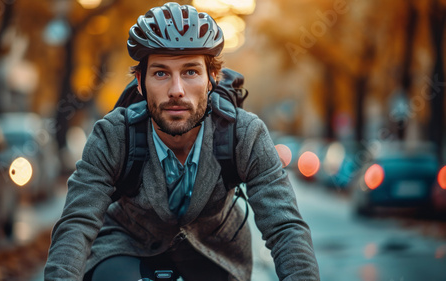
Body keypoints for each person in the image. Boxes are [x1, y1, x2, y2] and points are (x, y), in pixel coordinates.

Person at [44, 2, 320, 281]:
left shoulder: (244, 134)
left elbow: (285, 228)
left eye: (190, 72)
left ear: (212, 79)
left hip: (216, 256)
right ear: (140, 82)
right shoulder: (114, 135)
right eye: (161, 73)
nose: (176, 91)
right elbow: (77, 224)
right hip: (126, 251)